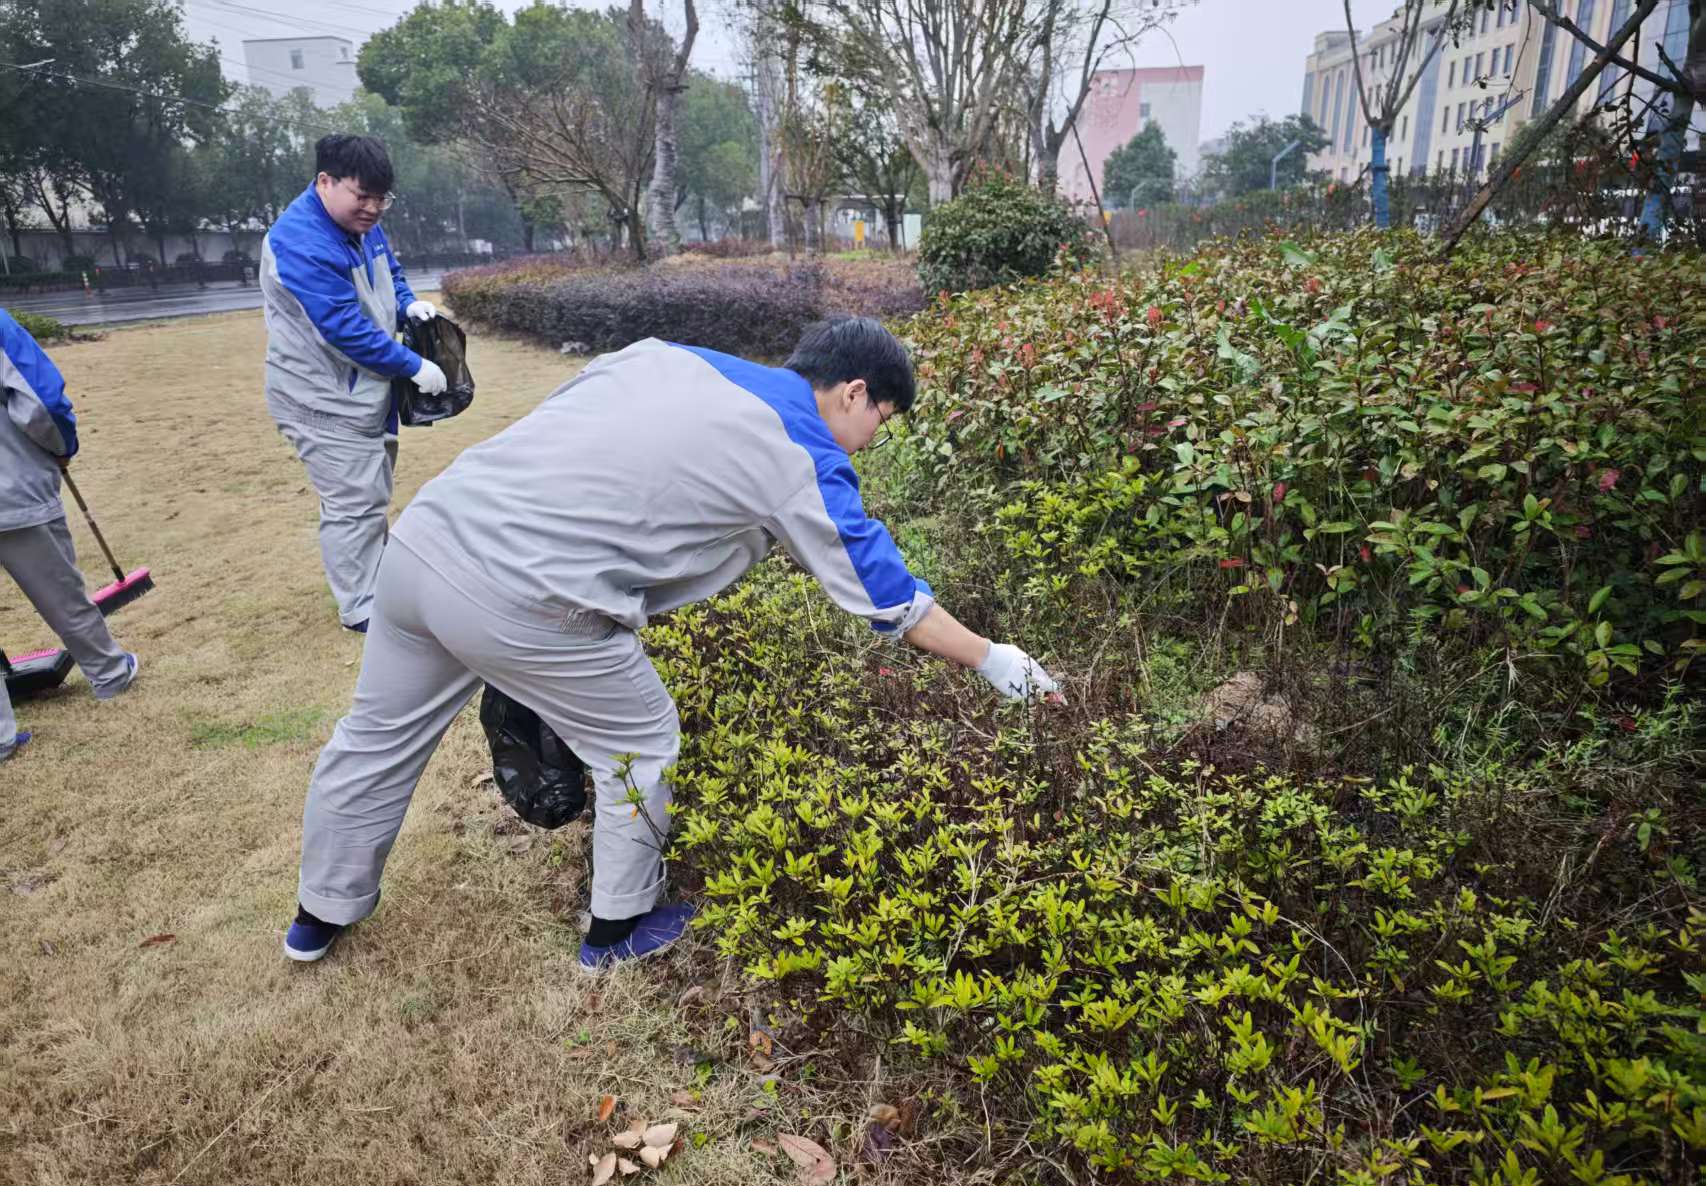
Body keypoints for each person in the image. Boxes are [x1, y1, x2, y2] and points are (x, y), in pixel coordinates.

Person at [284, 319, 1061, 967]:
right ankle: (618, 928)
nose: (867, 443)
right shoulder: (800, 449)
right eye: (879, 424)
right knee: (641, 737)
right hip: (524, 593)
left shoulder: (663, 355)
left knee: (376, 733)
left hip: (426, 538)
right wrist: (995, 659)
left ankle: (318, 914)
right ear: (854, 392)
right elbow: (888, 596)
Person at [260, 133, 446, 634]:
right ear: (326, 181)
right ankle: (362, 607)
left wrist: (406, 303)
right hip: (321, 397)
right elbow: (344, 329)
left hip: (362, 391)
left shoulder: (361, 225)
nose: (373, 208)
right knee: (352, 503)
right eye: (362, 196)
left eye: (382, 198)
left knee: (368, 492)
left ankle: (376, 580)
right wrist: (412, 365)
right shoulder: (301, 242)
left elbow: (389, 272)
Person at [1, 305, 141, 763]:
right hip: (12, 490)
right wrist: (63, 446)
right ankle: (109, 673)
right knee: (61, 591)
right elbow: (40, 403)